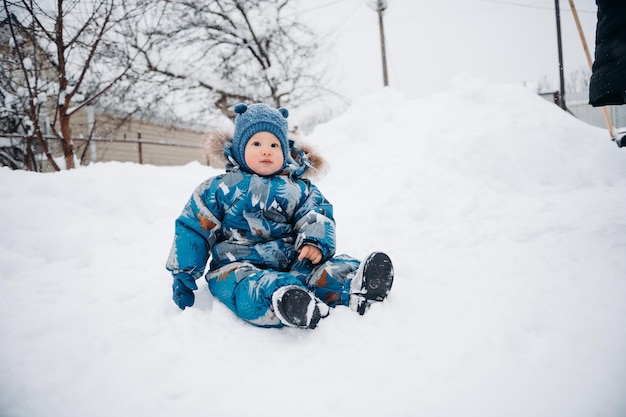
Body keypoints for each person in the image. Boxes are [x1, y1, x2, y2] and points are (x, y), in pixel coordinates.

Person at [165, 103, 394, 329]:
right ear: (239, 149)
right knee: (246, 287)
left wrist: (314, 241)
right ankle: (284, 300)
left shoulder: (298, 187)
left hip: (291, 261)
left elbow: (316, 213)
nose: (266, 150)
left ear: (284, 151)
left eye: (274, 144)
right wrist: (184, 272)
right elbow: (193, 228)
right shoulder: (218, 188)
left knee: (322, 271)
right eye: (256, 143)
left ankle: (355, 283)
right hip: (236, 265)